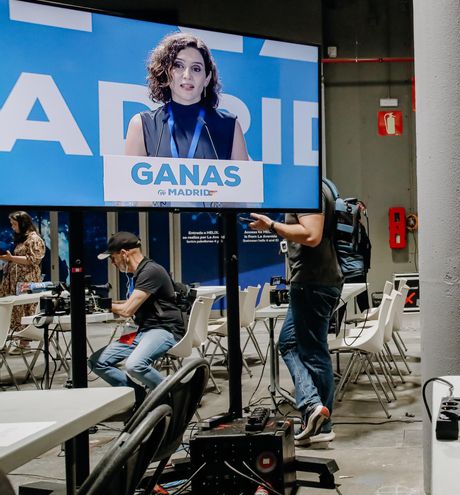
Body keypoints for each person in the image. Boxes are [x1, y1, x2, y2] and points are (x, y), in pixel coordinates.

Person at [246, 182, 342, 446]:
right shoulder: (316, 187)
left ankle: (320, 420)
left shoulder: (306, 189)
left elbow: (311, 235)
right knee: (288, 343)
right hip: (315, 281)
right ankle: (314, 409)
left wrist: (273, 226)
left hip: (313, 282)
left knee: (314, 352)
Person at [88, 232, 184, 401]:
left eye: (112, 257)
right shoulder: (138, 273)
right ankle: (139, 397)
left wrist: (98, 305)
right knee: (97, 362)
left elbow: (127, 311)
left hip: (163, 329)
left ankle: (175, 396)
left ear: (124, 254)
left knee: (135, 365)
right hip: (141, 331)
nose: (112, 262)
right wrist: (104, 303)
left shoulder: (150, 271)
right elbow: (130, 303)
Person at [124, 32, 248, 161]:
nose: (187, 75)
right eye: (179, 66)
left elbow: (245, 181)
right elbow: (128, 181)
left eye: (196, 68)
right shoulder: (142, 125)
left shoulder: (230, 126)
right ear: (165, 72)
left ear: (207, 78)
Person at [0, 211, 46, 354]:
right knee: (15, 309)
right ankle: (17, 340)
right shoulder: (22, 239)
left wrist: (12, 258)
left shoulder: (34, 239)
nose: (13, 227)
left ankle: (25, 342)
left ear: (23, 223)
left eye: (15, 224)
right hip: (15, 279)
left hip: (27, 280)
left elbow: (34, 260)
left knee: (25, 308)